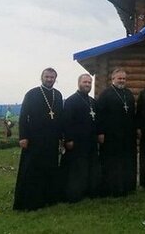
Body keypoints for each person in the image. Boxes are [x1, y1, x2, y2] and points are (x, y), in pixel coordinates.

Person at [13, 67, 64, 211]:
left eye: (52, 77)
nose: (49, 79)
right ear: (42, 77)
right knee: (32, 169)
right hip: (34, 138)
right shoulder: (32, 94)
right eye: (47, 77)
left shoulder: (58, 95)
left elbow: (60, 118)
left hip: (52, 139)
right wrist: (23, 136)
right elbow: (24, 116)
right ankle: (30, 200)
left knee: (50, 168)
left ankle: (48, 198)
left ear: (55, 79)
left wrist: (61, 137)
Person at [95, 68, 137, 197]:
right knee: (112, 162)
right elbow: (99, 115)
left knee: (126, 161)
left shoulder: (128, 94)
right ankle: (111, 188)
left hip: (127, 135)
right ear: (113, 79)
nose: (122, 81)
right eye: (119, 78)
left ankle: (127, 186)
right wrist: (100, 132)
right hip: (111, 135)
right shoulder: (105, 94)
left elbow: (132, 114)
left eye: (124, 78)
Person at [62, 74, 100, 202]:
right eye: (85, 82)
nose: (88, 84)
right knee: (76, 169)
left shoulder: (92, 101)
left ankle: (89, 191)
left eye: (90, 82)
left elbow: (97, 120)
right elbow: (66, 122)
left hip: (90, 141)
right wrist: (68, 139)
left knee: (90, 167)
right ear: (79, 83)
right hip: (77, 141)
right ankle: (75, 194)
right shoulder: (71, 101)